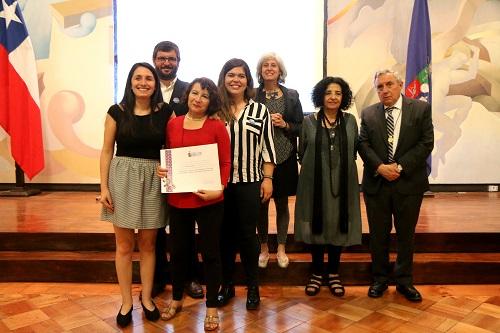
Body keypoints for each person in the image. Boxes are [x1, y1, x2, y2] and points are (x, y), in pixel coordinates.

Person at [99, 62, 172, 327]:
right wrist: (104, 187)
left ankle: (148, 298)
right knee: (124, 246)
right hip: (123, 178)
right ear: (130, 82)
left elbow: (174, 148)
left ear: (156, 84)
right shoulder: (116, 112)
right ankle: (126, 301)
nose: (143, 82)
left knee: (150, 245)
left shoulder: (167, 113)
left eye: (148, 78)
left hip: (154, 180)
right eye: (138, 78)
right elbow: (107, 150)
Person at [158, 78, 230, 331]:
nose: (198, 99)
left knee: (211, 253)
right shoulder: (173, 124)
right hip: (178, 199)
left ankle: (211, 306)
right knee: (178, 252)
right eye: (195, 93)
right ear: (187, 95)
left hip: (209, 200)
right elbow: (168, 156)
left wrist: (219, 188)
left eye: (205, 96)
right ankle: (177, 298)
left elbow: (225, 163)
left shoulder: (217, 126)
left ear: (212, 101)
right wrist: (163, 171)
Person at [358, 69, 434, 302]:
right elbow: (363, 144)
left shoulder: (420, 109)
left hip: (408, 183)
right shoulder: (369, 113)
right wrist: (380, 167)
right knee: (378, 236)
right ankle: (379, 279)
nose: (384, 90)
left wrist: (399, 167)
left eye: (389, 84)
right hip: (377, 183)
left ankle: (404, 281)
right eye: (380, 87)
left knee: (405, 235)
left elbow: (426, 143)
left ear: (400, 85)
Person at [216, 58, 276, 310]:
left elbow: (267, 148)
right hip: (218, 185)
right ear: (223, 78)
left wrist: (268, 178)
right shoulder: (215, 110)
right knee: (224, 237)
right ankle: (226, 285)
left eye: (241, 76)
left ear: (248, 81)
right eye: (231, 75)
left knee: (248, 236)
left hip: (249, 182)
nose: (235, 80)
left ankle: (253, 287)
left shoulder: (259, 111)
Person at [294, 77, 362, 297]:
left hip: (343, 182)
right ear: (320, 96)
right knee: (317, 221)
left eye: (338, 93)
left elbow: (353, 151)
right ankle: (316, 272)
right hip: (314, 182)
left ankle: (333, 272)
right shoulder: (309, 122)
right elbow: (302, 151)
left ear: (344, 97)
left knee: (336, 223)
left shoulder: (351, 121)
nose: (333, 97)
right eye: (328, 92)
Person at [151, 41, 204, 299]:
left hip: (183, 167)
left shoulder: (188, 90)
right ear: (154, 60)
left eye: (171, 58)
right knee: (155, 226)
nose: (166, 63)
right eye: (161, 58)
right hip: (152, 167)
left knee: (185, 228)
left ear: (178, 61)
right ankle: (159, 277)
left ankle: (191, 277)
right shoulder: (144, 89)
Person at [254, 52, 303, 269]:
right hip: (259, 159)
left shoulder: (291, 95)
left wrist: (285, 124)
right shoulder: (252, 95)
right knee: (261, 204)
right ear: (260, 71)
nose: (270, 68)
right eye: (265, 65)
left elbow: (301, 126)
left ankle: (281, 247)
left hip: (285, 156)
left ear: (280, 70)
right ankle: (264, 248)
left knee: (282, 204)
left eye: (274, 65)